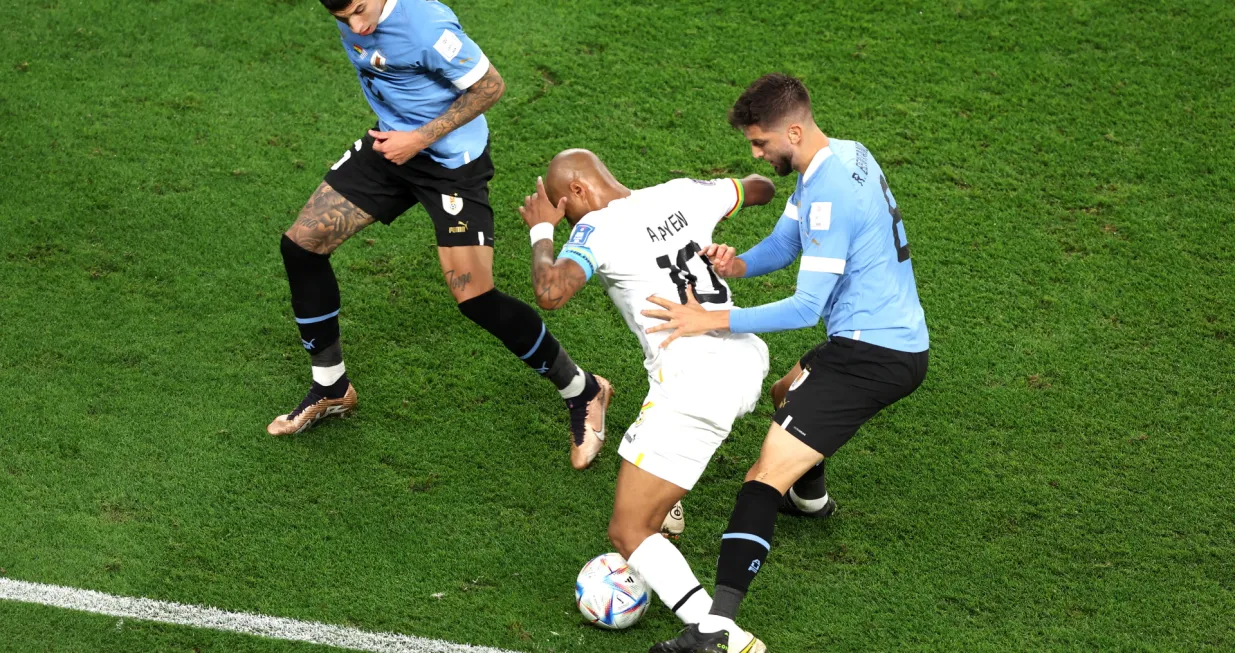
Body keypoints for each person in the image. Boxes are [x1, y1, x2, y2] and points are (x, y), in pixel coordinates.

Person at [645, 74, 930, 652]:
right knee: (787, 394)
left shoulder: (830, 195)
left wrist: (712, 319)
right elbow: (786, 243)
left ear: (792, 130)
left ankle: (716, 627)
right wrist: (737, 266)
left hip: (871, 354)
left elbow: (806, 307)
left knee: (760, 478)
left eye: (759, 144)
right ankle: (813, 498)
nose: (755, 155)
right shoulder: (843, 156)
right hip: (884, 336)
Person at [268, 0, 611, 471]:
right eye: (343, 19)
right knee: (302, 245)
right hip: (390, 147)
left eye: (361, 11)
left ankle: (584, 389)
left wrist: (421, 138)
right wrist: (402, 138)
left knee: (475, 297)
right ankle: (331, 387)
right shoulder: (354, 12)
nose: (357, 26)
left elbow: (491, 86)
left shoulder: (425, 23)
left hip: (450, 166)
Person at [518, 149, 775, 652]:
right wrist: (723, 226)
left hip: (693, 379)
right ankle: (669, 498)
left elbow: (550, 291)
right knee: (655, 476)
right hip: (744, 358)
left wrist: (541, 231)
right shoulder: (682, 193)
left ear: (576, 191)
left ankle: (717, 633)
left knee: (629, 529)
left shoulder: (597, 230)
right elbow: (758, 185)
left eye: (561, 207)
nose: (564, 216)